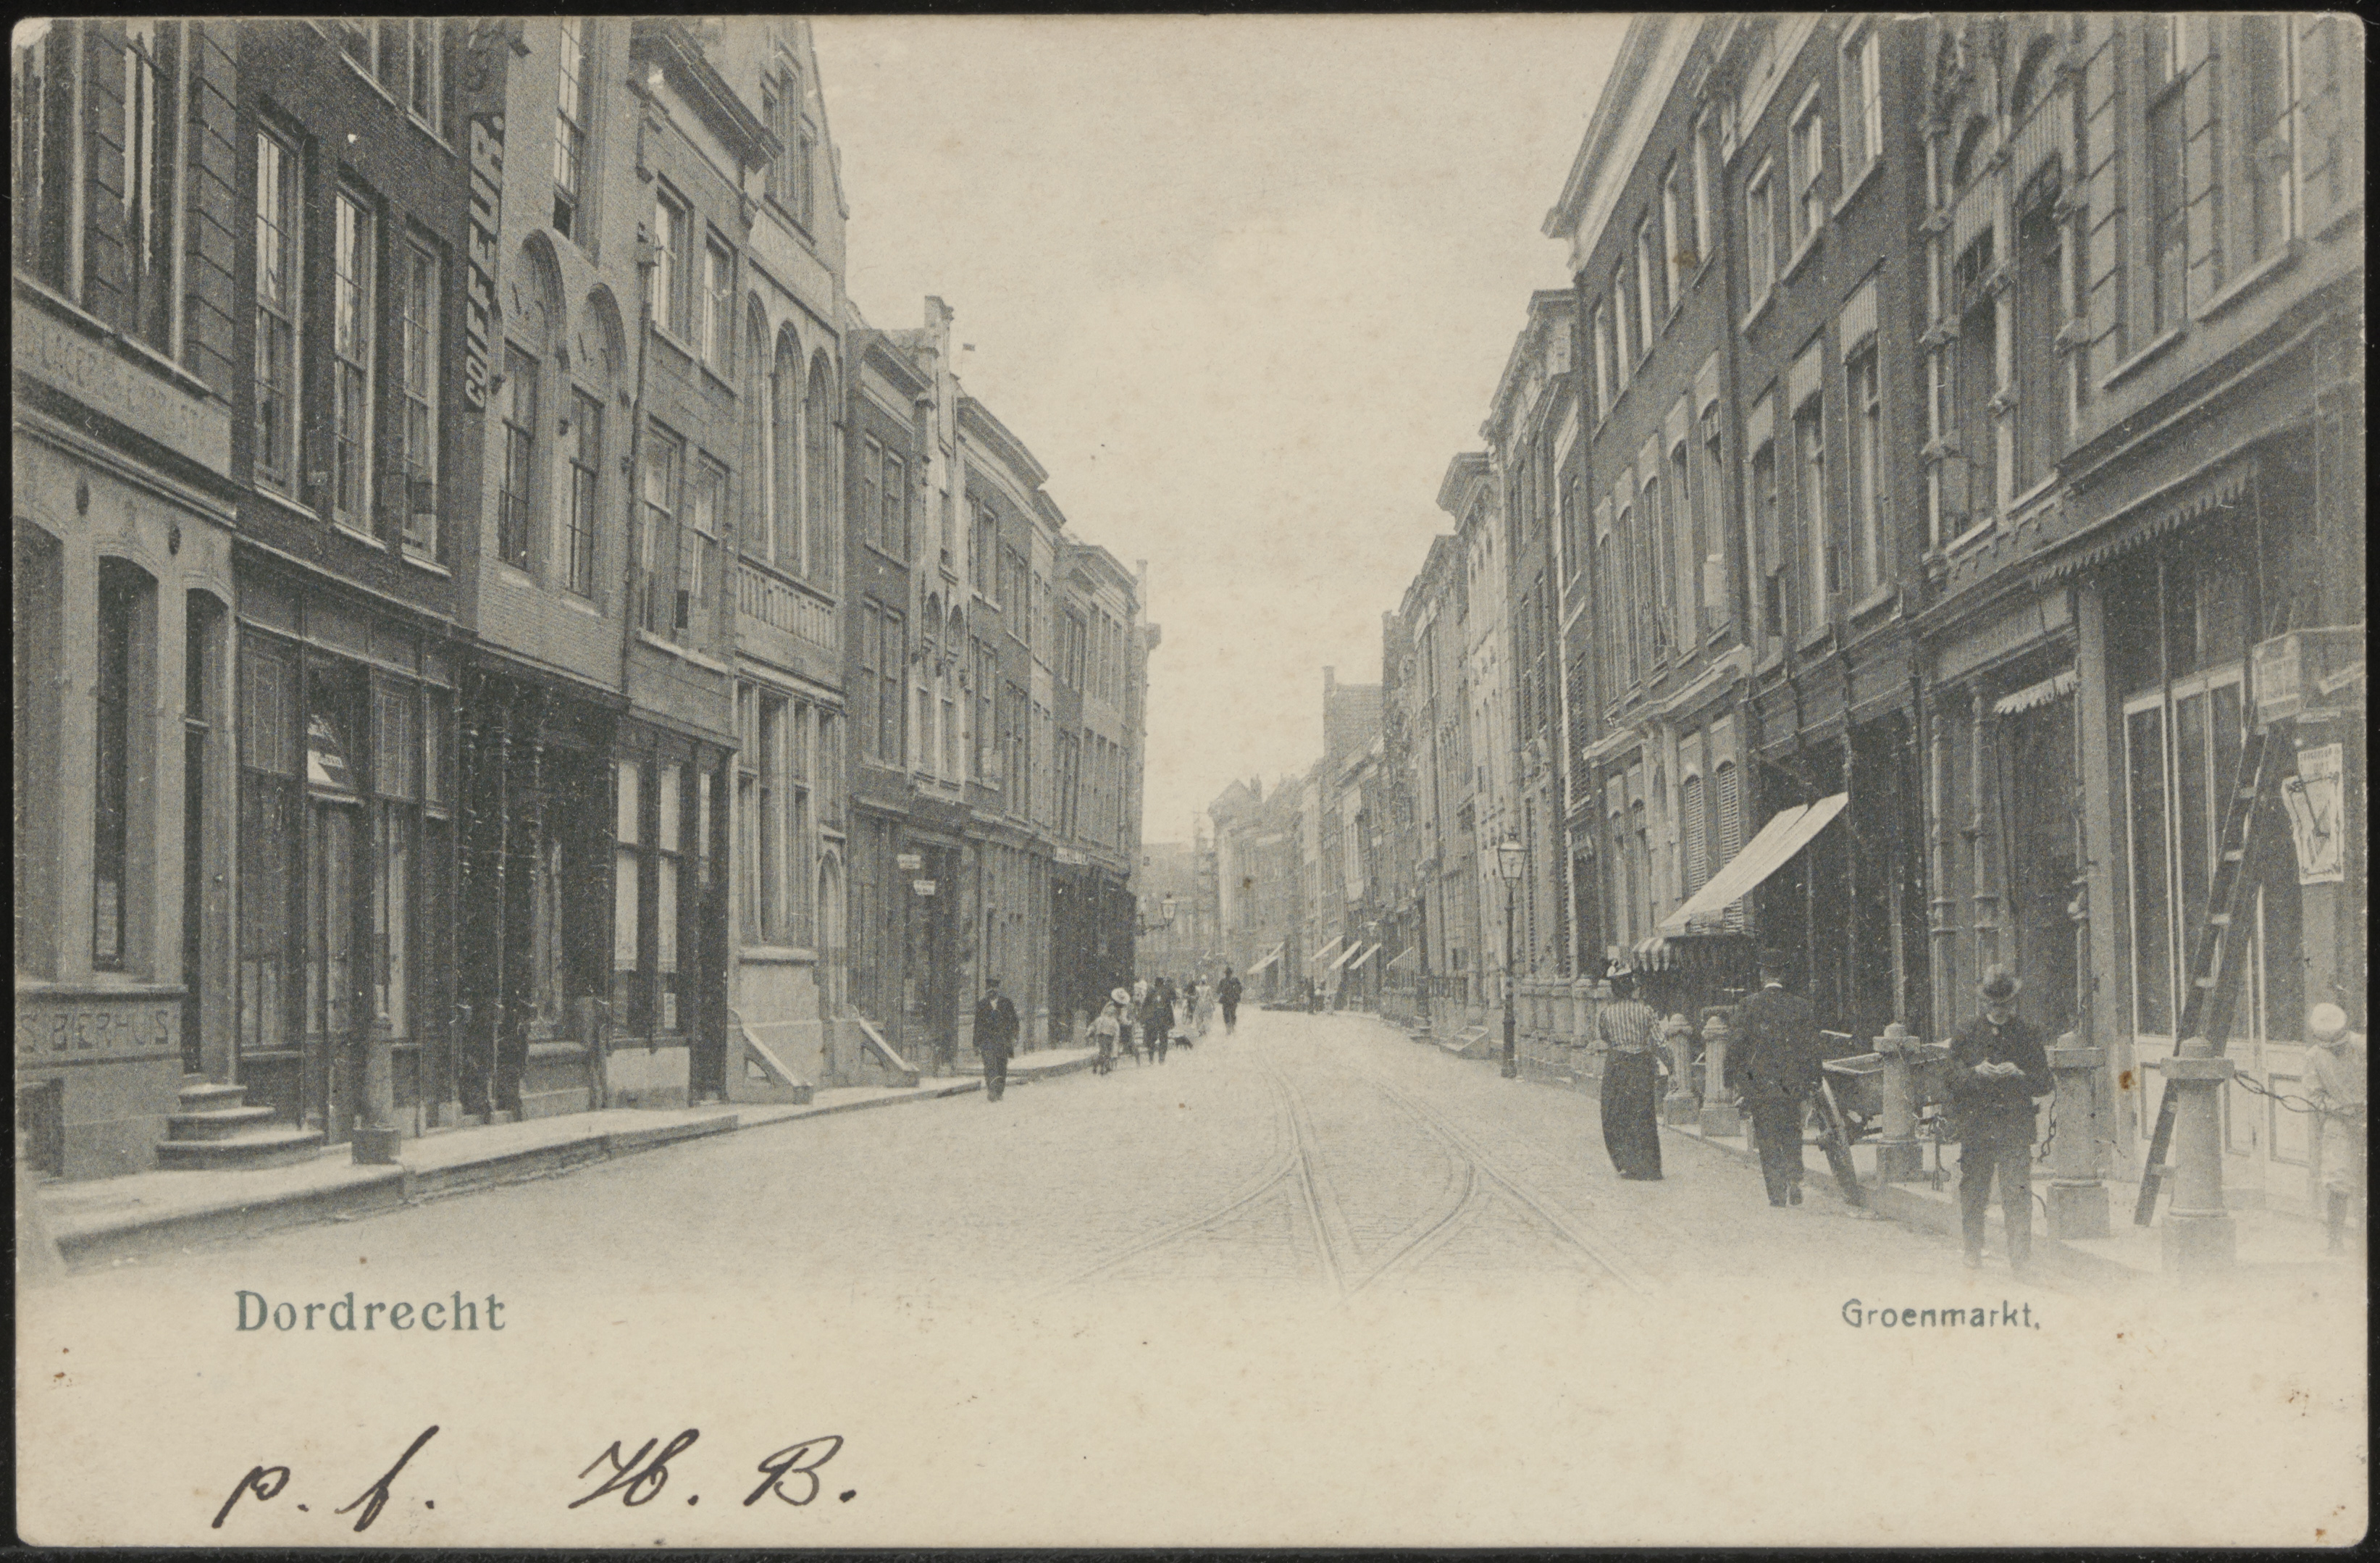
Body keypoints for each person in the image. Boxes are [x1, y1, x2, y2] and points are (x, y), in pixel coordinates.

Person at [1944, 965, 2053, 1273]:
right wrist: (1975, 1072)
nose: (1999, 1010)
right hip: (1977, 1126)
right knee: (1974, 1190)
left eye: (2004, 1004)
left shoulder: (2027, 1034)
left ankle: (2020, 1258)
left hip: (2014, 1126)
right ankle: (1972, 1250)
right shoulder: (1967, 1032)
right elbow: (1949, 1079)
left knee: (2017, 1192)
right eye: (1993, 1004)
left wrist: (2019, 1073)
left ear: (2013, 1002)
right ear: (1984, 1003)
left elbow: (2044, 1083)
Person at [1735, 952, 1823, 1207]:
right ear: (1783, 975)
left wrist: (1738, 1082)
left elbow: (1736, 1048)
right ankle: (1794, 1177)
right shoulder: (1801, 1006)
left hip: (1760, 1085)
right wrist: (1813, 1080)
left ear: (1762, 974)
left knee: (1767, 1136)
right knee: (1791, 1130)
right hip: (1792, 1084)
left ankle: (1776, 1192)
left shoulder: (1748, 1005)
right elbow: (1813, 1048)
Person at [2304, 1003, 2367, 1256]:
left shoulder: (2362, 1045)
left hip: (2367, 1116)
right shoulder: (2313, 1057)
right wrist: (2340, 1110)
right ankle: (2335, 1241)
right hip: (2338, 1122)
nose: (2336, 1050)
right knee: (2337, 1178)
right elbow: (2315, 1096)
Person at [1595, 971, 1664, 1181]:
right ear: (1632, 989)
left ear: (1615, 991)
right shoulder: (1646, 1011)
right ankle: (1648, 1166)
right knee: (1643, 1113)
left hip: (1617, 1064)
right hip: (1641, 1064)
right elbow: (1660, 1041)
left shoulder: (1606, 1014)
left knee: (1615, 1113)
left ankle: (1626, 1163)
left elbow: (1605, 1036)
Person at [971, 977, 1020, 1103]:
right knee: (989, 1065)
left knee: (1001, 1066)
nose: (991, 991)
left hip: (1002, 1041)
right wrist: (976, 1044)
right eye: (989, 989)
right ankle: (992, 1090)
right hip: (987, 1041)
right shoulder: (982, 1005)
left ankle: (999, 1091)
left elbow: (1014, 1021)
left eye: (994, 988)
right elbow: (977, 1025)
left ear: (998, 990)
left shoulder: (1006, 1003)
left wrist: (1015, 1036)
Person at [1091, 991, 1126, 1075]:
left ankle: (1102, 1065)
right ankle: (1102, 1066)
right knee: (1106, 1051)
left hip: (1105, 1029)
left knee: (1104, 1050)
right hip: (1108, 1030)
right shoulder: (1115, 1009)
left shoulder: (1109, 1005)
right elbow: (1120, 1020)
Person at [1144, 980, 1176, 1065]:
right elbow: (1169, 1008)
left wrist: (1144, 1019)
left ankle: (1151, 1058)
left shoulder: (1151, 992)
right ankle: (1162, 1058)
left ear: (1155, 984)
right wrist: (1171, 1022)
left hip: (1153, 1020)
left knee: (1151, 1039)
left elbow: (1145, 1006)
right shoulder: (1166, 993)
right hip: (1164, 1020)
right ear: (1162, 984)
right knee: (1164, 1039)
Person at [1218, 968, 1243, 1034]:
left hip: (1226, 1001)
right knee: (1232, 1014)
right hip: (1233, 1001)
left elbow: (1218, 990)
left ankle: (1229, 1029)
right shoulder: (1235, 980)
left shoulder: (1223, 981)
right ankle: (1232, 1027)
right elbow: (1241, 989)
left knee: (1227, 1014)